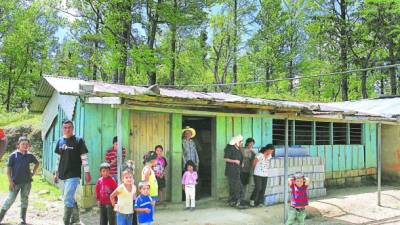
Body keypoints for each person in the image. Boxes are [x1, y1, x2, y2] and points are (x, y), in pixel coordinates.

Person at [54, 119, 92, 225]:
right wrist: (56, 172)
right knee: (70, 197)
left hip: (74, 174)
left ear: (72, 128)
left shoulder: (79, 140)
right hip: (62, 174)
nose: (67, 129)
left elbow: (84, 157)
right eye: (65, 128)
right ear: (62, 129)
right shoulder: (60, 141)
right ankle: (76, 219)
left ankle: (65, 222)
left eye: (69, 127)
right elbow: (58, 158)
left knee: (67, 198)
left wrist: (87, 172)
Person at [0, 136, 39, 225]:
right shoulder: (13, 155)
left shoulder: (30, 155)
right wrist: (10, 181)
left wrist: (33, 173)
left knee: (24, 200)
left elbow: (37, 163)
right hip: (15, 182)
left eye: (27, 144)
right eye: (23, 144)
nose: (25, 146)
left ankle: (22, 220)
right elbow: (9, 169)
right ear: (18, 145)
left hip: (27, 182)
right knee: (9, 199)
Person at [224, 135, 247, 209]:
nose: (241, 142)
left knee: (234, 186)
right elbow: (225, 159)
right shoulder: (229, 148)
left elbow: (241, 157)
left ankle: (233, 201)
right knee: (237, 186)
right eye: (240, 141)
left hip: (237, 170)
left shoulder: (239, 148)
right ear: (236, 141)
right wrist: (235, 161)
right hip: (231, 170)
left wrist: (242, 162)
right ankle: (238, 202)